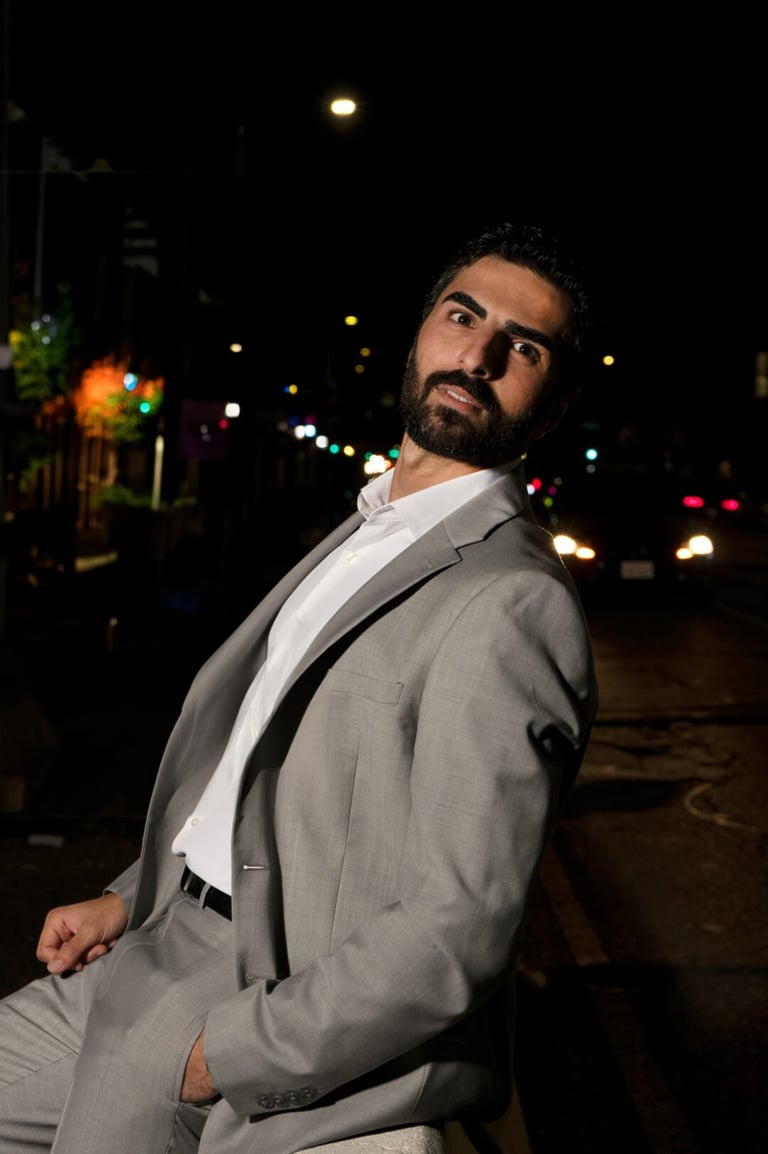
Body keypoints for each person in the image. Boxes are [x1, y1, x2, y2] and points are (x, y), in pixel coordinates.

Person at [0, 224, 599, 1154]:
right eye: (462, 316)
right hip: (154, 934)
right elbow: (268, 776)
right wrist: (131, 895)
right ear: (419, 335)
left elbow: (458, 928)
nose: (478, 356)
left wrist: (227, 1055)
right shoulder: (373, 527)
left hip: (250, 986)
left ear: (551, 407)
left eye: (523, 348)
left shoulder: (511, 600)